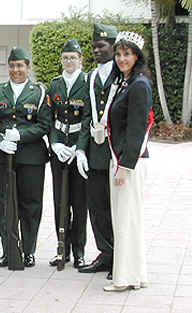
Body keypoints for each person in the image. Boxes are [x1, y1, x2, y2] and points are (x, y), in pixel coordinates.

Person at [0, 47, 50, 268]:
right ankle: (8, 249)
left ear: (28, 67)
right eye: (12, 66)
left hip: (31, 158)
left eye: (20, 65)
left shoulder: (39, 91)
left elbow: (44, 124)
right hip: (2, 156)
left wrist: (21, 135)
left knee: (30, 204)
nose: (16, 70)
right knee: (3, 203)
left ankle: (29, 250)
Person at [104, 31, 153, 292]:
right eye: (119, 54)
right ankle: (135, 274)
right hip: (123, 160)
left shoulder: (139, 85)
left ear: (137, 56)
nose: (122, 58)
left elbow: (138, 129)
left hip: (129, 163)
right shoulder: (125, 82)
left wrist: (124, 166)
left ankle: (124, 278)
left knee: (126, 220)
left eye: (128, 54)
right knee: (127, 219)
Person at [78, 24, 118, 280]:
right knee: (97, 206)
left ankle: (118, 256)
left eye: (101, 46)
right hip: (94, 152)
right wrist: (81, 148)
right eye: (93, 47)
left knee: (115, 208)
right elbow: (85, 116)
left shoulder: (123, 73)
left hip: (115, 153)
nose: (96, 51)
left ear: (114, 46)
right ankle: (104, 253)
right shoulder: (92, 76)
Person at [47, 39, 88, 269]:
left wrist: (78, 147)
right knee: (60, 202)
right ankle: (62, 249)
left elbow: (88, 118)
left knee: (79, 203)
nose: (69, 61)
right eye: (65, 57)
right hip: (59, 150)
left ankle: (80, 251)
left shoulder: (87, 82)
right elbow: (50, 117)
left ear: (80, 59)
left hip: (78, 151)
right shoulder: (55, 84)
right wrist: (54, 144)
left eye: (73, 57)